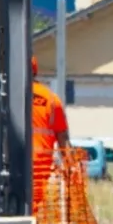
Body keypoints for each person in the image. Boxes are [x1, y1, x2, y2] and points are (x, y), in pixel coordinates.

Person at [30, 55, 71, 214]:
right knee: (32, 207)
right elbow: (63, 138)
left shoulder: (6, 96)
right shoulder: (52, 99)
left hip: (12, 162)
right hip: (41, 166)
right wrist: (70, 166)